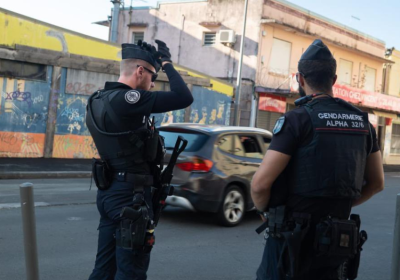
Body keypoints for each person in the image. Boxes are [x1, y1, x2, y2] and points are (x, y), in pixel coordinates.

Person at [251, 39, 384, 280]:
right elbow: (377, 183)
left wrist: (265, 212)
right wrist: (337, 208)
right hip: (336, 241)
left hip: (292, 241)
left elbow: (260, 185)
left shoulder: (297, 119)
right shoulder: (363, 123)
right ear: (333, 80)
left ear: (299, 79)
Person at [86, 39, 193, 280]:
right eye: (153, 76)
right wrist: (167, 63)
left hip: (109, 193)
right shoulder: (129, 100)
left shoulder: (97, 99)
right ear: (140, 71)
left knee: (103, 269)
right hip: (131, 198)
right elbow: (183, 97)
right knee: (131, 272)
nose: (154, 84)